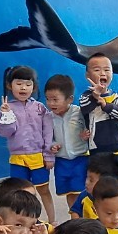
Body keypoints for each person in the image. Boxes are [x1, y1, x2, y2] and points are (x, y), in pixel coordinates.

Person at [0, 65, 57, 222]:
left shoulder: (40, 108)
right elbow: (5, 132)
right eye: (19, 83)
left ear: (34, 87)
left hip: (38, 157)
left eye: (28, 84)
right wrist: (6, 115)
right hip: (18, 159)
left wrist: (49, 155)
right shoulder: (7, 107)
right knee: (20, 193)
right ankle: (26, 221)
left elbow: (48, 133)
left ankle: (52, 221)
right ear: (10, 85)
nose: (23, 87)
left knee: (43, 190)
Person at [79, 52, 118, 183]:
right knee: (99, 183)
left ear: (112, 74)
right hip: (97, 150)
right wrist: (95, 95)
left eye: (107, 70)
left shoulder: (116, 97)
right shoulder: (86, 97)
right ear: (87, 75)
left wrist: (106, 105)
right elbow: (84, 107)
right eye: (97, 70)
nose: (103, 73)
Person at [45, 74, 89, 210]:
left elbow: (89, 127)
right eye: (47, 99)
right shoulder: (48, 117)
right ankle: (75, 217)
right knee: (69, 192)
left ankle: (86, 217)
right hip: (62, 161)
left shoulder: (78, 112)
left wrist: (85, 134)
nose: (51, 103)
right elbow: (47, 137)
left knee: (81, 190)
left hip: (80, 159)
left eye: (55, 99)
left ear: (69, 99)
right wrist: (52, 146)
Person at [68, 152, 118, 220]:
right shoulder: (84, 196)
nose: (86, 182)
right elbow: (75, 212)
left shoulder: (115, 198)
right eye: (87, 177)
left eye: (91, 180)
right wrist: (77, 225)